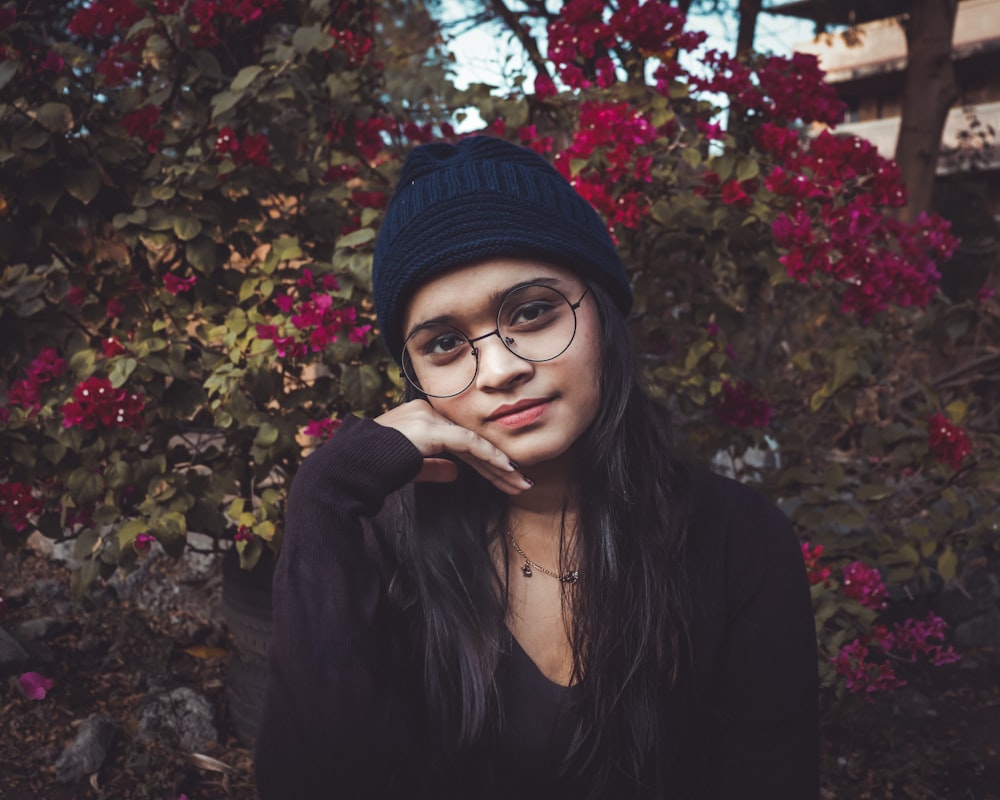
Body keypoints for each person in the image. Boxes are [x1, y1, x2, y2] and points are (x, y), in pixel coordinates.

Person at [254, 136, 819, 799]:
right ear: (416, 381)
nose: (500, 368)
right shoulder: (385, 541)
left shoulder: (737, 540)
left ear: (602, 310)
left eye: (531, 312)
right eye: (443, 344)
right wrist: (325, 494)